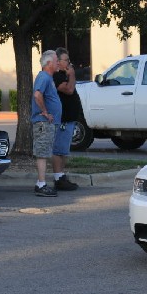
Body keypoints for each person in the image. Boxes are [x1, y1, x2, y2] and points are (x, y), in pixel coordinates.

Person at [31, 50, 62, 197]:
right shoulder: (44, 77)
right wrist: (45, 112)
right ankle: (41, 184)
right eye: (56, 61)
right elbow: (37, 94)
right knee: (42, 154)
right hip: (43, 123)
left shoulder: (48, 78)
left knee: (44, 153)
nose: (58, 63)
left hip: (47, 123)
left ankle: (41, 183)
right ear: (49, 63)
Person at [52, 47, 82, 191]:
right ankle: (58, 178)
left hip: (69, 119)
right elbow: (69, 90)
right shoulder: (57, 76)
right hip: (62, 119)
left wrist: (70, 75)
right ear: (58, 61)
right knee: (59, 149)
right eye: (66, 60)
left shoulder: (65, 74)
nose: (69, 63)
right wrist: (72, 75)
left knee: (64, 150)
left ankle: (61, 176)